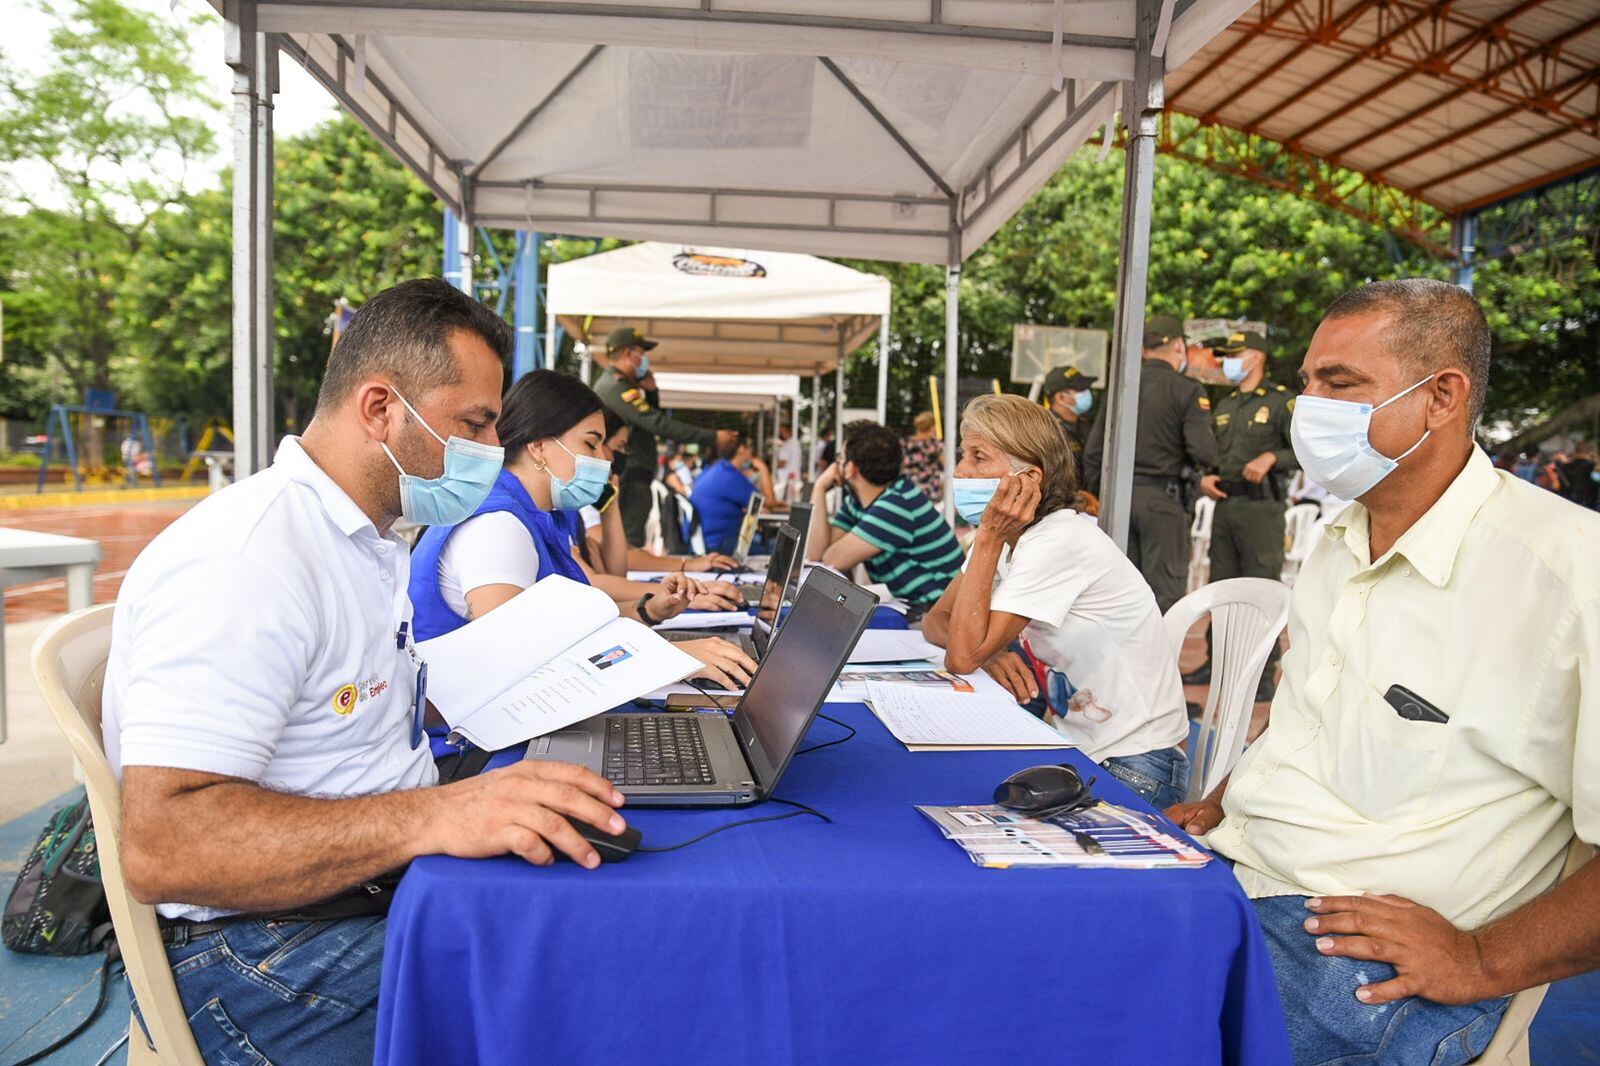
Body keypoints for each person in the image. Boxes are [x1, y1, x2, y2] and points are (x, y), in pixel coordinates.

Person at [102, 279, 632, 1063]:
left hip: (345, 900)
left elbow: (342, 720)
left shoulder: (365, 539)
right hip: (259, 954)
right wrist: (437, 816)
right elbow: (164, 845)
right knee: (594, 986)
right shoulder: (247, 559)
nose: (492, 452)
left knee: (620, 915)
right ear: (381, 408)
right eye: (475, 425)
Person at [1167, 279, 1600, 1066]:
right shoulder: (1341, 539)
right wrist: (1222, 806)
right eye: (1306, 382)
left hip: (1353, 953)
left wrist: (1483, 961)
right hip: (1232, 874)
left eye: (1339, 384)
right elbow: (1311, 718)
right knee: (1033, 962)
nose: (1307, 407)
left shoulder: (1569, 574)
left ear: (1441, 397)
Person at [410, 369, 756, 693]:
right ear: (539, 446)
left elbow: (564, 626)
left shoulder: (546, 516)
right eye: (591, 444)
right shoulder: (497, 527)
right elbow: (516, 655)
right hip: (475, 747)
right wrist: (673, 656)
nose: (603, 460)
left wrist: (648, 609)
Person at [923, 394, 1191, 810]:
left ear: (1028, 478)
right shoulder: (1006, 535)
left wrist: (977, 645)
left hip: (1138, 764)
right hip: (1083, 749)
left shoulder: (1053, 540)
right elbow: (936, 620)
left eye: (978, 457)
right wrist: (989, 653)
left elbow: (959, 657)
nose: (960, 471)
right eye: (963, 455)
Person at [1186, 331, 1298, 700]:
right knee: (1222, 591)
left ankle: (1264, 673)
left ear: (1257, 357)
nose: (1229, 361)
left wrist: (1272, 458)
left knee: (1260, 591)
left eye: (1237, 354)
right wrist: (1206, 478)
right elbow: (1210, 455)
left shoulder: (1281, 402)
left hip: (1262, 508)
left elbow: (1302, 449)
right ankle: (1216, 661)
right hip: (1226, 505)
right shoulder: (1225, 406)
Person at [1083, 314, 1220, 613]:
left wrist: (1101, 496)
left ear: (1144, 350)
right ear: (1178, 346)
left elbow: (1094, 453)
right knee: (1163, 598)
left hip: (1120, 501)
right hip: (1163, 503)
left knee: (1119, 595)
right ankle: (1159, 661)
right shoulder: (1187, 390)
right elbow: (1205, 453)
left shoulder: (1121, 389)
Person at [592, 325, 736, 547]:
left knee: (630, 539)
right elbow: (657, 424)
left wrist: (651, 393)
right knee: (629, 542)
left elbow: (649, 421)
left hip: (635, 472)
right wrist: (711, 437)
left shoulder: (622, 385)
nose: (645, 360)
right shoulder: (615, 386)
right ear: (629, 354)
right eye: (642, 354)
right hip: (631, 474)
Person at [805, 420, 964, 610]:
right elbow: (815, 554)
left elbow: (831, 561)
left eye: (840, 458)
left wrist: (820, 485)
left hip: (937, 612)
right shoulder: (861, 501)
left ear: (851, 468)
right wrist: (819, 488)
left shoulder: (897, 505)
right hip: (914, 606)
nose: (836, 465)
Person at [581, 410, 739, 574]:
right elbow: (621, 559)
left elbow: (621, 556)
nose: (616, 458)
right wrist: (687, 565)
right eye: (619, 446)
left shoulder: (592, 496)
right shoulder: (578, 501)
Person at [689, 433, 778, 554]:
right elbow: (770, 502)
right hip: (718, 545)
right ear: (742, 449)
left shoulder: (717, 469)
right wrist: (763, 468)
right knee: (776, 547)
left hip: (704, 540)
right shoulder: (730, 476)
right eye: (750, 448)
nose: (751, 454)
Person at [1041, 364, 1097, 468]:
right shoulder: (1044, 429)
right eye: (1081, 390)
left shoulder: (1084, 425)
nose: (1087, 393)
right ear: (1061, 397)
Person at [902, 411, 945, 504]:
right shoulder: (935, 445)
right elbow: (948, 466)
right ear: (932, 426)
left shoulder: (905, 443)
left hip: (907, 491)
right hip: (929, 492)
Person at [1561, 440, 1598, 510]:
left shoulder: (1564, 467)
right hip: (1588, 506)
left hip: (1567, 503)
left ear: (1575, 451)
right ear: (1590, 452)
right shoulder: (1591, 466)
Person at [772, 423, 802, 501]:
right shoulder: (795, 443)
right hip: (793, 477)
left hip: (786, 479)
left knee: (785, 501)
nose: (781, 434)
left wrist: (774, 466)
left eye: (783, 431)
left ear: (790, 431)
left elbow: (782, 463)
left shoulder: (788, 445)